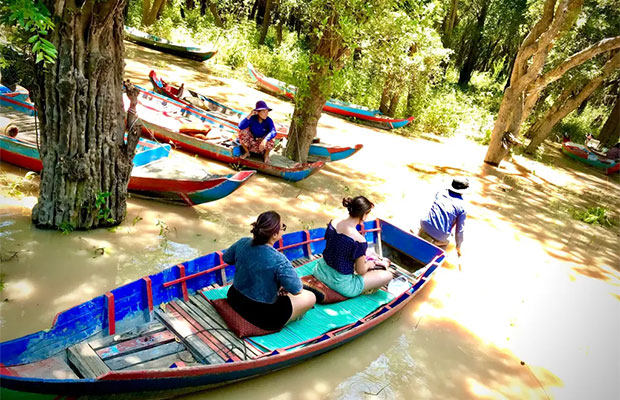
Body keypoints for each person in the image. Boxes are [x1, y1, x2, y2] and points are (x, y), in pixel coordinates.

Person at [222, 211, 316, 331]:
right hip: (263, 315)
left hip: (235, 298)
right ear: (275, 235)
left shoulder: (242, 242)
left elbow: (226, 258)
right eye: (283, 227)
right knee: (310, 296)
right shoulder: (279, 259)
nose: (283, 230)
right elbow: (297, 289)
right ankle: (295, 316)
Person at [313, 196, 393, 298]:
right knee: (388, 275)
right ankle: (364, 291)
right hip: (342, 285)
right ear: (363, 215)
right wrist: (369, 264)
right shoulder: (359, 240)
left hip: (319, 272)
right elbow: (360, 271)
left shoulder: (333, 222)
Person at [417, 177, 469, 256]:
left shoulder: (440, 193)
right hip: (440, 235)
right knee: (447, 241)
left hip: (424, 225)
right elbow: (459, 232)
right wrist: (458, 247)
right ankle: (435, 255)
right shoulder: (463, 207)